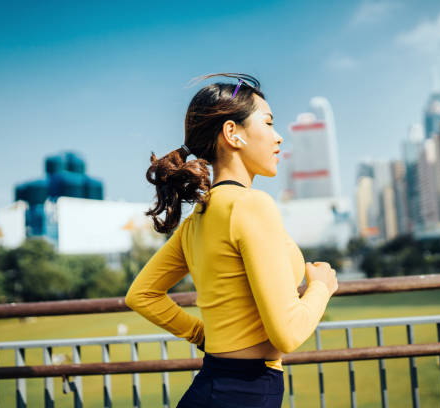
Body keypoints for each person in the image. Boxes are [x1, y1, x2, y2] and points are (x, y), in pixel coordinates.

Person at [125, 72, 338, 408]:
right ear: (232, 133)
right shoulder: (252, 206)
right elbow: (288, 333)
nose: (278, 137)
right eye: (268, 123)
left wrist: (202, 335)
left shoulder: (199, 217)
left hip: (213, 385)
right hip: (246, 393)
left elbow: (142, 295)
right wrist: (321, 288)